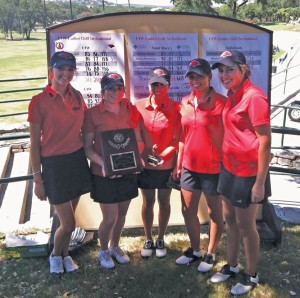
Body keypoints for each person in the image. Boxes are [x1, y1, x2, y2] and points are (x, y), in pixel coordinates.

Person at [209, 50, 271, 296]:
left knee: (246, 227)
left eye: (230, 69)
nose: (224, 75)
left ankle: (251, 272)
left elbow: (265, 141)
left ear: (243, 69)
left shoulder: (254, 97)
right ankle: (232, 265)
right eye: (221, 70)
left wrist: (259, 183)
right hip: (229, 169)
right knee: (230, 222)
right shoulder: (232, 94)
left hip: (248, 173)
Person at [28, 51, 92, 275]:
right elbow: (34, 144)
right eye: (60, 68)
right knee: (68, 223)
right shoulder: (38, 102)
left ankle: (65, 255)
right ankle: (55, 256)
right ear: (51, 70)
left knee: (69, 216)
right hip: (53, 165)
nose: (65, 73)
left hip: (76, 160)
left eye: (70, 69)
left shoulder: (77, 96)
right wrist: (37, 178)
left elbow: (85, 131)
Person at [83, 72, 144, 269]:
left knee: (122, 214)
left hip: (127, 171)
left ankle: (115, 246)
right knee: (110, 217)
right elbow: (87, 148)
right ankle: (103, 250)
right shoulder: (91, 114)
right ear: (102, 92)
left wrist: (137, 158)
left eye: (119, 88)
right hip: (103, 173)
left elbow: (135, 140)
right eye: (111, 88)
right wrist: (104, 163)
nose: (115, 92)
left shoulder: (129, 111)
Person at [173, 58, 226, 273]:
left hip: (214, 168)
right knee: (188, 211)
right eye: (191, 76)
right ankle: (195, 250)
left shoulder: (222, 102)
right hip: (189, 167)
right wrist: (179, 163)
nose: (195, 80)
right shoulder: (185, 102)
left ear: (209, 77)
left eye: (199, 76)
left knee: (215, 214)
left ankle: (211, 252)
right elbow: (183, 137)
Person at [135, 67, 181, 258]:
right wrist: (142, 153)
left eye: (162, 84)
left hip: (166, 164)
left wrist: (163, 155)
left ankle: (161, 237)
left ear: (168, 86)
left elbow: (177, 139)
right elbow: (136, 134)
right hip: (145, 164)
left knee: (164, 201)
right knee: (148, 201)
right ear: (149, 85)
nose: (158, 88)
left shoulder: (176, 108)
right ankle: (148, 237)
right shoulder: (137, 106)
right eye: (154, 84)